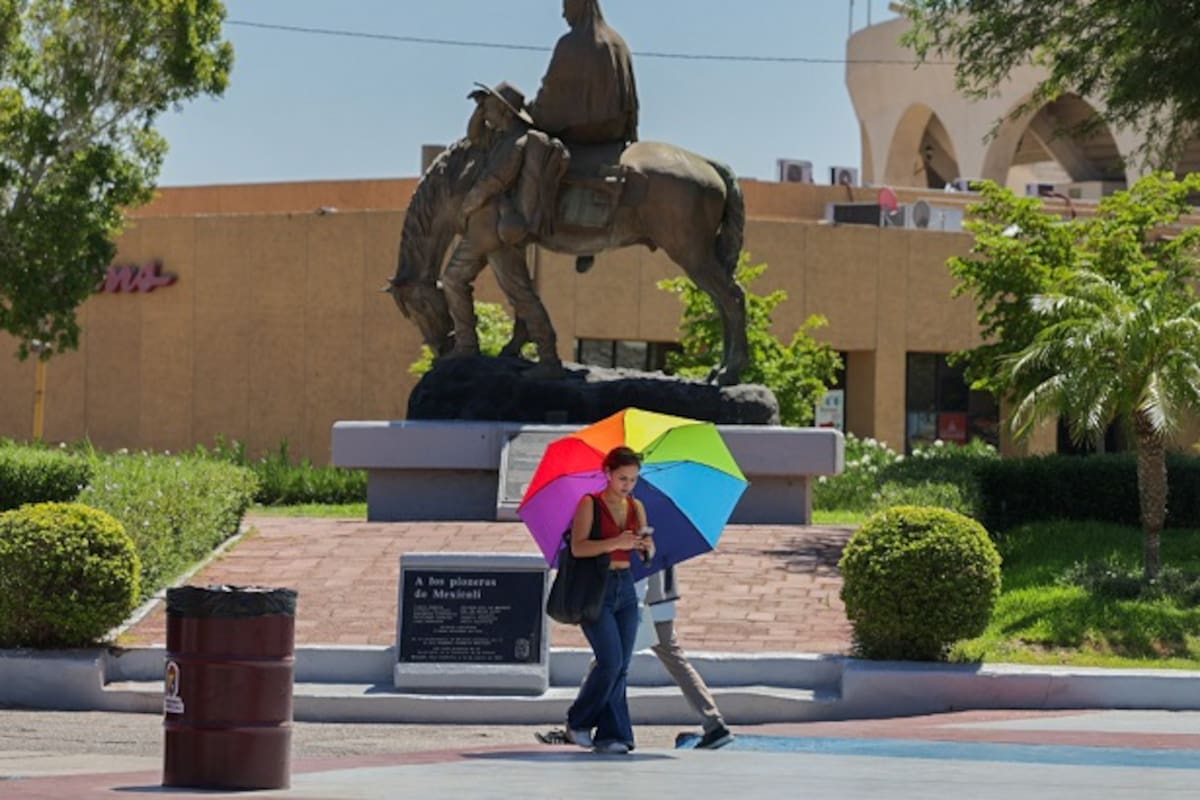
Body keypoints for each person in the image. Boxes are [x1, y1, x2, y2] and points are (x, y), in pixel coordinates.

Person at [527, 0, 638, 273]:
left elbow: (551, 95)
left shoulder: (571, 43)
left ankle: (530, 222)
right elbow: (632, 99)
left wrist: (531, 111)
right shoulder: (618, 42)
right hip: (614, 134)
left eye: (566, 5)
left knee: (526, 151)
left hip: (580, 131)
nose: (563, 12)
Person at [561, 445, 654, 754]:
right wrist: (616, 541)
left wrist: (645, 547)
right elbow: (578, 548)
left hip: (625, 585)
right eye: (622, 478)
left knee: (623, 665)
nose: (627, 485)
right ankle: (578, 721)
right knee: (610, 661)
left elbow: (643, 551)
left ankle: (613, 736)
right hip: (596, 587)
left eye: (633, 479)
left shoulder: (636, 507)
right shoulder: (590, 504)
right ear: (608, 474)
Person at [643, 566, 735, 749]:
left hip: (641, 594)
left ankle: (581, 721)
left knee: (609, 658)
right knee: (673, 657)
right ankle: (713, 721)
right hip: (661, 592)